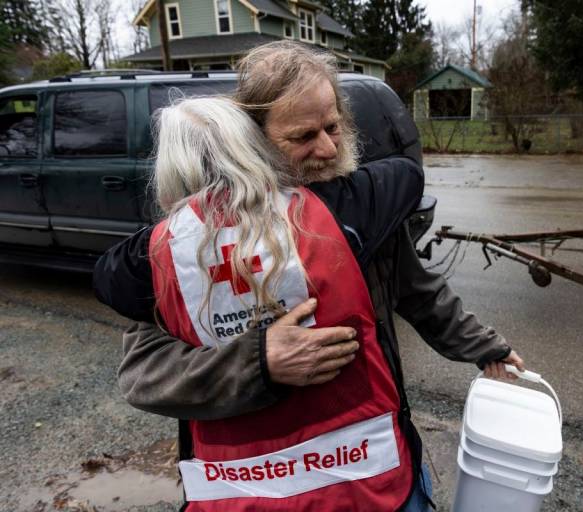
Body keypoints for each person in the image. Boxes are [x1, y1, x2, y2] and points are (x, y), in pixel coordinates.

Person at [94, 41, 524, 511]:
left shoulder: (364, 219)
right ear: (254, 140)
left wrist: (487, 347)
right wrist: (259, 361)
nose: (328, 147)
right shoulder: (193, 243)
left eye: (333, 126)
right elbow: (143, 375)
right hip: (253, 490)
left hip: (374, 480)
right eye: (302, 137)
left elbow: (419, 293)